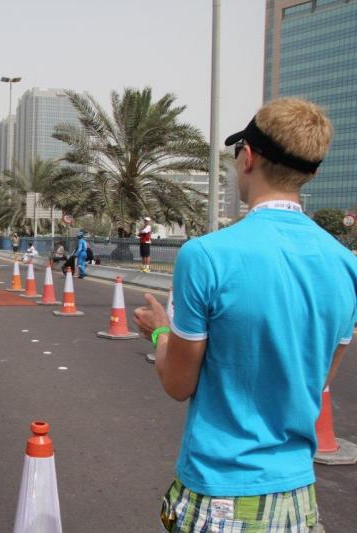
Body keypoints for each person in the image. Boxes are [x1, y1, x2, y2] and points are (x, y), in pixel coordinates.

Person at [133, 98, 353, 531]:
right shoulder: (347, 266)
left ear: (247, 157)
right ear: (311, 173)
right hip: (296, 501)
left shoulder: (206, 255)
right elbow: (317, 382)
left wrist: (160, 333)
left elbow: (178, 384)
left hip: (219, 495)